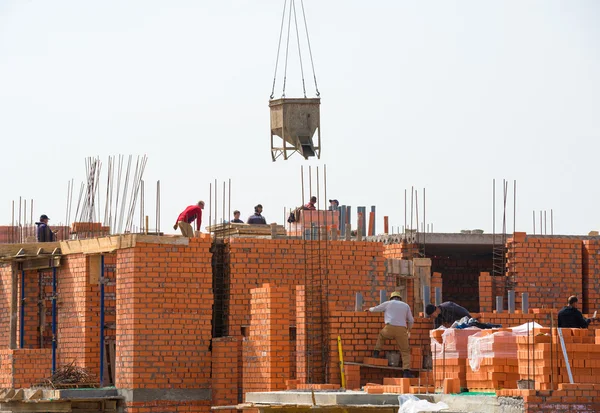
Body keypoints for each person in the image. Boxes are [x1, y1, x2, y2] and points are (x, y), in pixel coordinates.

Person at [368, 291, 414, 378]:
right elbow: (411, 320)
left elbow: (376, 309)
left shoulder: (388, 303)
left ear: (391, 298)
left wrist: (369, 309)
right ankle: (406, 372)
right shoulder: (406, 305)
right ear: (400, 298)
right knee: (405, 351)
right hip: (401, 329)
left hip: (389, 328)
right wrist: (408, 330)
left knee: (382, 336)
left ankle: (376, 352)